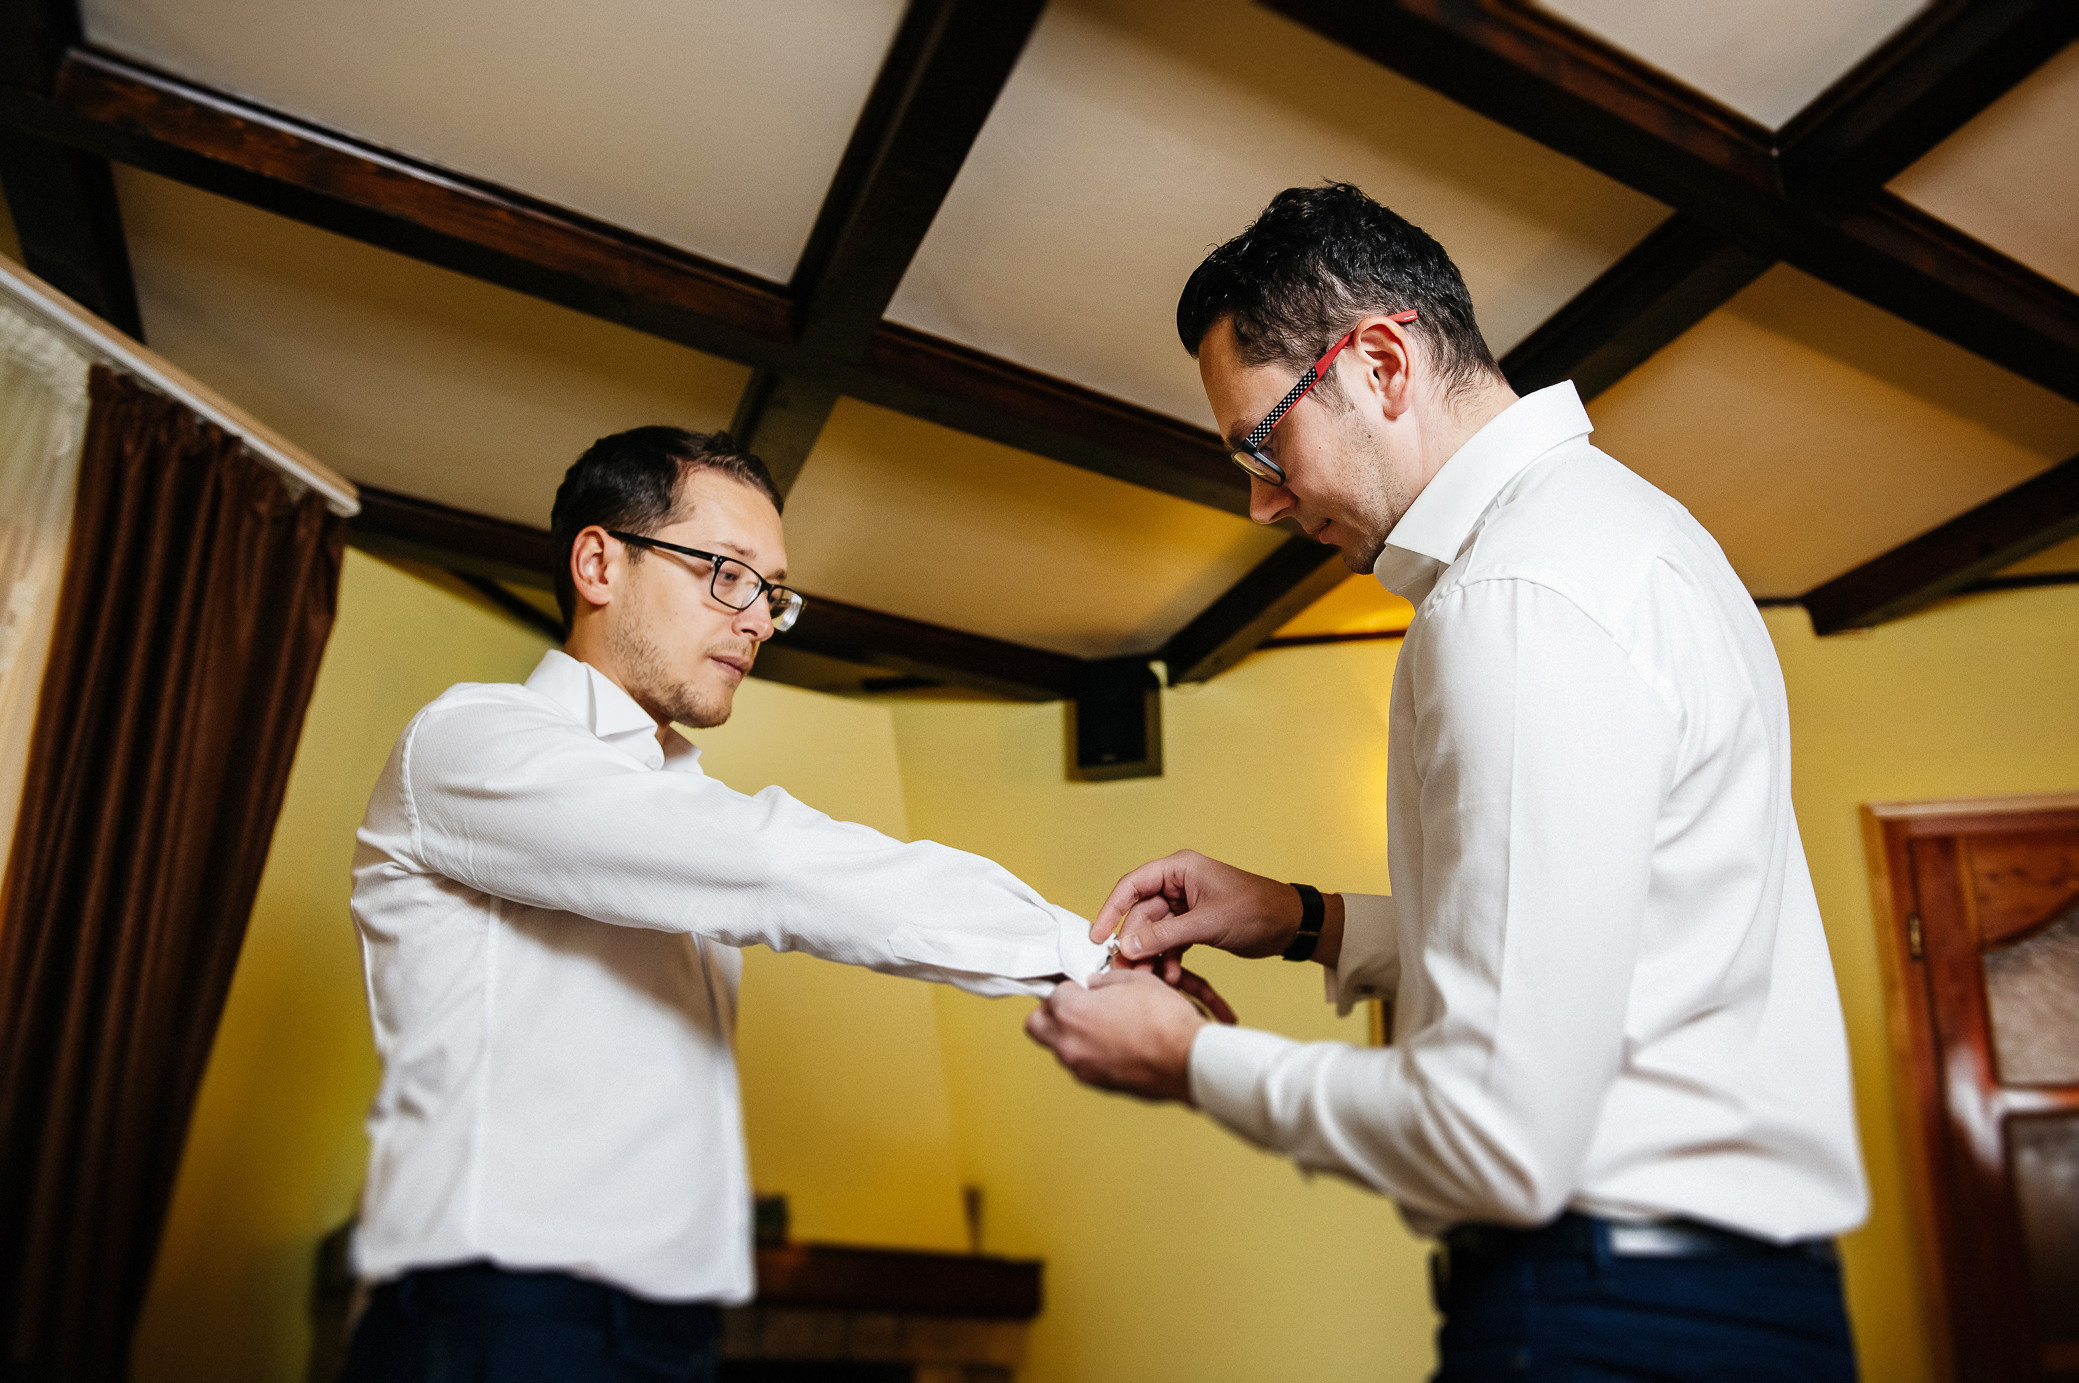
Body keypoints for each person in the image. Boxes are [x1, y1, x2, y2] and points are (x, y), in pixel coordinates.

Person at [1024, 184, 1869, 1380]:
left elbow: (1497, 1135)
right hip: (1735, 1306)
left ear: (1379, 362)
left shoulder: (1514, 601)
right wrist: (1305, 922)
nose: (1261, 501)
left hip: (1606, 1314)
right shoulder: (1631, 534)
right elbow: (1599, 954)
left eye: (1261, 443)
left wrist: (1188, 1061)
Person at [340, 427, 1128, 1382]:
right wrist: (1093, 956)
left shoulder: (672, 799)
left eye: (773, 593)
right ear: (599, 562)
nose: (756, 619)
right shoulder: (472, 742)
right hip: (503, 1317)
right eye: (726, 573)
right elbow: (775, 866)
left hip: (670, 1331)